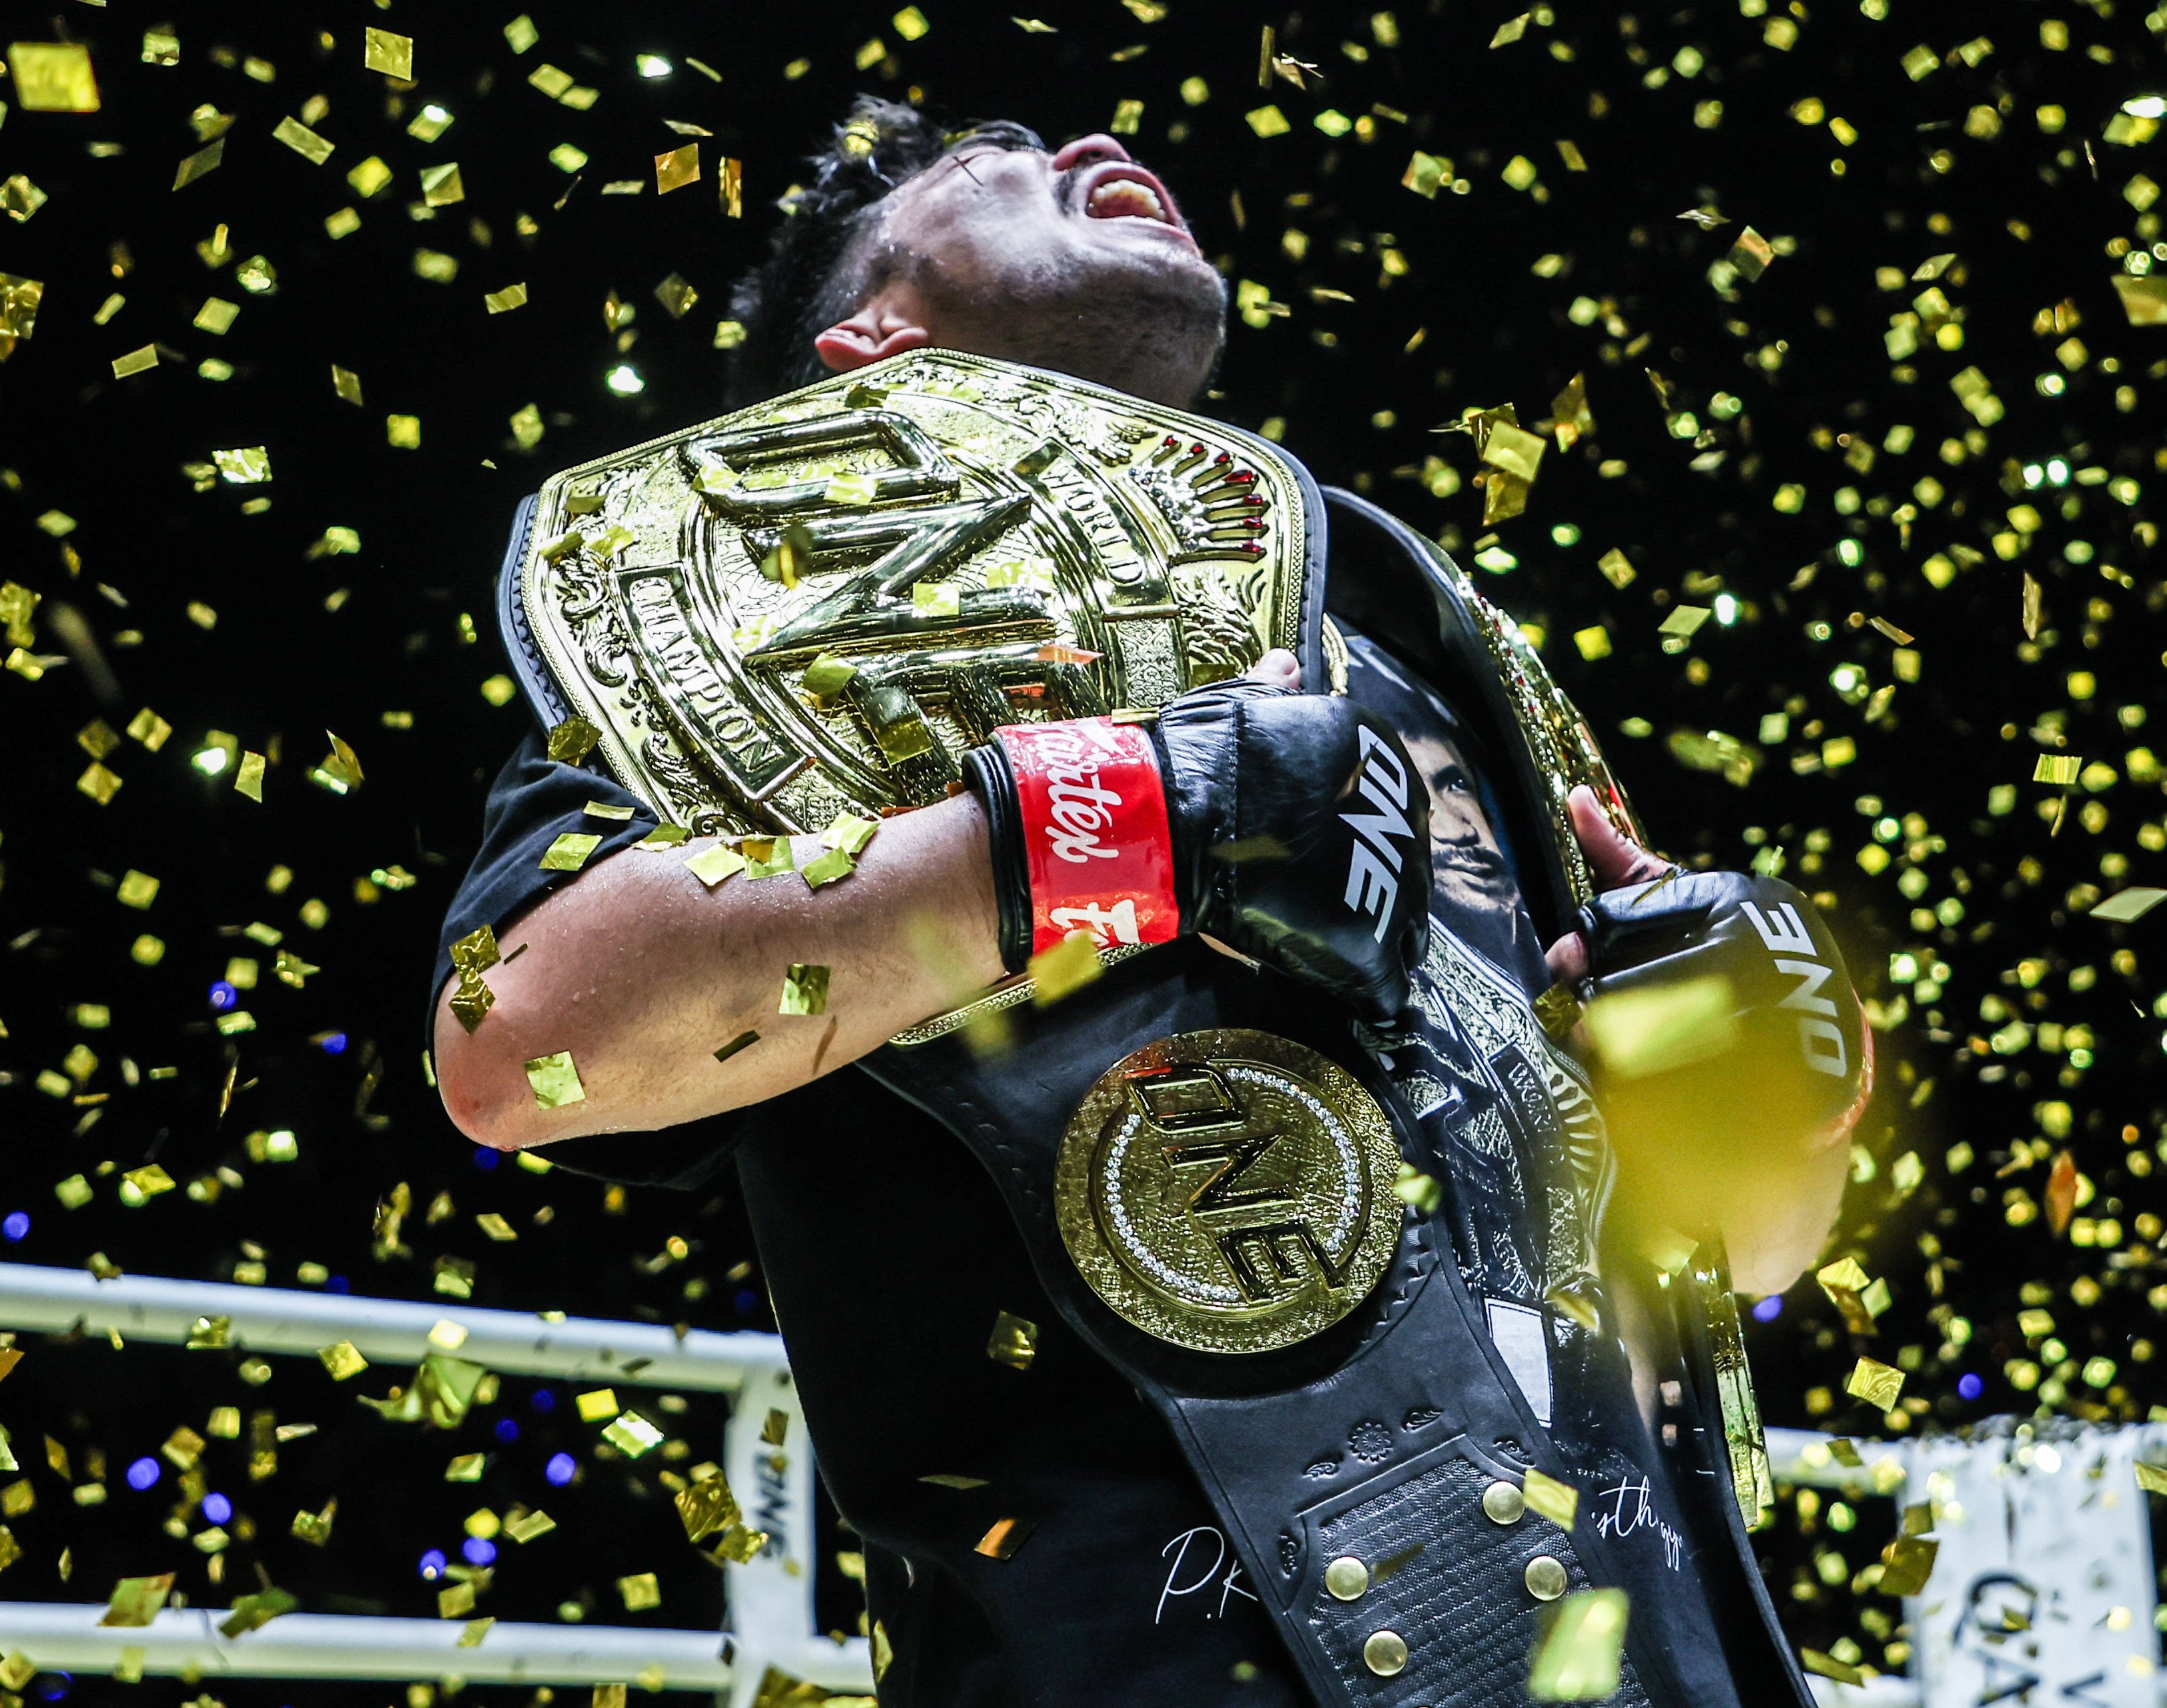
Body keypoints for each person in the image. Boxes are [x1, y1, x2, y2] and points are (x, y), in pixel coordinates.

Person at [430, 97, 1868, 1708]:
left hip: (1663, 1656)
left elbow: (1728, 1249)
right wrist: (1132, 816)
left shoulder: (1411, 639)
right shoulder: (749, 614)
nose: (1085, 148)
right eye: (994, 161)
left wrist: (1755, 1092)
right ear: (867, 341)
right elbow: (525, 1035)